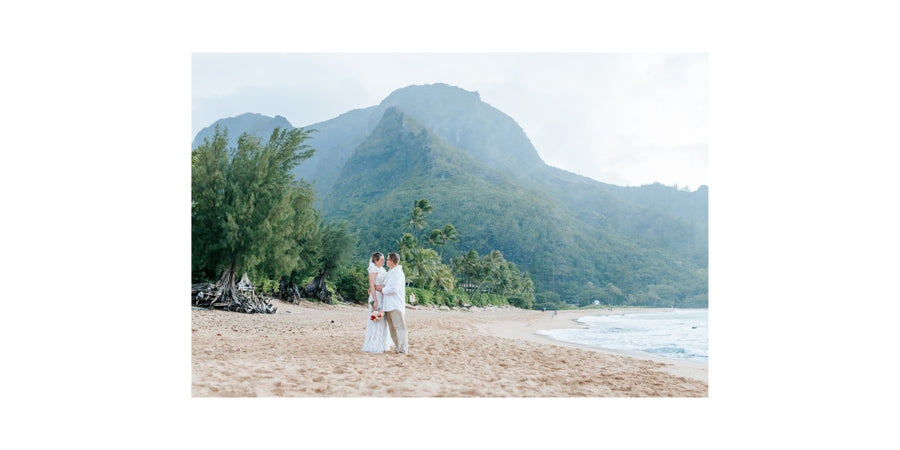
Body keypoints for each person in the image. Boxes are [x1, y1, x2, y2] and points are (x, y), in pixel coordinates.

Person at [375, 252, 408, 354]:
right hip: (388, 305)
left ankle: (402, 349)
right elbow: (385, 284)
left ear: (393, 261)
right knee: (392, 328)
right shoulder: (390, 272)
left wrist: (382, 289)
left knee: (399, 327)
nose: (386, 261)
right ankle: (398, 347)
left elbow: (394, 288)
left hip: (395, 305)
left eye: (388, 259)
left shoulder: (398, 273)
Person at [362, 252, 392, 353]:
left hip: (382, 296)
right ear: (375, 261)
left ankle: (382, 343)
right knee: (375, 320)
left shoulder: (382, 270)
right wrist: (375, 300)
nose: (383, 261)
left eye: (384, 259)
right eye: (381, 260)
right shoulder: (373, 269)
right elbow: (372, 285)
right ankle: (373, 344)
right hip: (376, 297)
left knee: (382, 320)